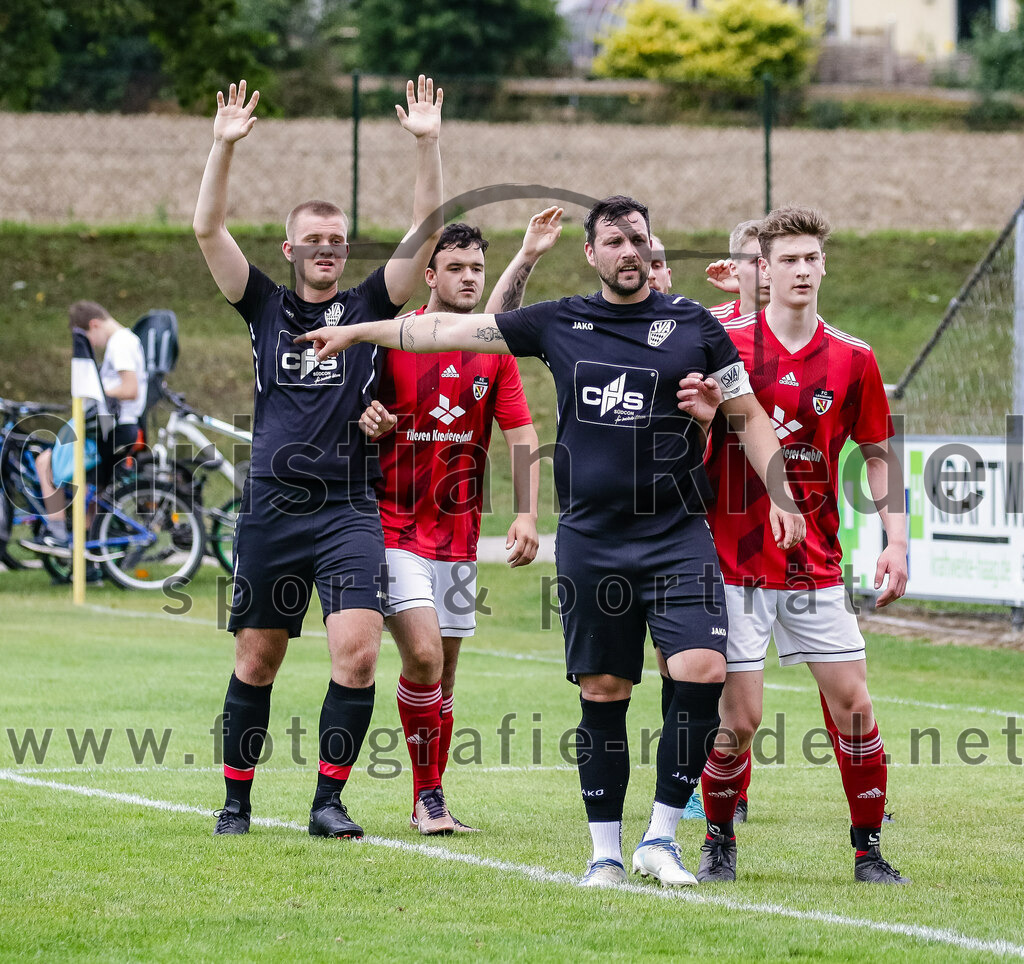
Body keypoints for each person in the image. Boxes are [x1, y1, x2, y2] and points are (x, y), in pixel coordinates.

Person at [296, 195, 805, 887]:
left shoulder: (692, 326)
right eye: (614, 242)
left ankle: (660, 837)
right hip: (593, 540)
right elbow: (446, 329)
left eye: (639, 240)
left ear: (652, 252)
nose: (629, 251)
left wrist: (781, 493)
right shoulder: (561, 321)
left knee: (702, 672)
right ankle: (605, 852)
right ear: (592, 255)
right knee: (604, 689)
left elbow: (748, 415)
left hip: (677, 532)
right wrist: (356, 334)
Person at [192, 76, 443, 838]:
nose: (328, 251)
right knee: (258, 660)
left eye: (338, 242)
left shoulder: (369, 306)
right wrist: (222, 146)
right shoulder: (263, 304)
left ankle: (327, 801)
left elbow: (425, 236)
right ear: (291, 248)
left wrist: (429, 144)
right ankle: (235, 800)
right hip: (274, 504)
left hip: (347, 507)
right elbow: (207, 230)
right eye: (315, 241)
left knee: (359, 656)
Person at [696, 206, 909, 885]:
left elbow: (879, 453)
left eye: (811, 258)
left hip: (814, 564)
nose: (802, 270)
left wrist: (895, 540)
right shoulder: (723, 344)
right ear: (761, 269)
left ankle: (867, 850)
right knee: (741, 722)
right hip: (733, 562)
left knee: (855, 708)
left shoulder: (853, 357)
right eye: (787, 259)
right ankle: (718, 838)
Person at [358, 215, 557, 834]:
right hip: (392, 526)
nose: (469, 278)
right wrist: (367, 419)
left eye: (477, 269)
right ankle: (427, 795)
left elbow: (521, 434)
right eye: (457, 268)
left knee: (443, 669)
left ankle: (429, 796)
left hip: (459, 536)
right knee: (420, 655)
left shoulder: (490, 356)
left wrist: (526, 512)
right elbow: (348, 404)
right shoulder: (393, 337)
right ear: (431, 274)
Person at [25, 300, 147, 558]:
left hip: (115, 430)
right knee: (92, 494)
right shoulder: (125, 341)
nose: (93, 345)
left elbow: (130, 389)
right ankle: (90, 555)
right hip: (114, 429)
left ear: (94, 325)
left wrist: (93, 393)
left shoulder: (120, 343)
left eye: (90, 338)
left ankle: (57, 536)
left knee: (45, 464)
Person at [704, 219, 772, 323]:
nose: (767, 272)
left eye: (773, 261)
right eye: (757, 262)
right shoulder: (712, 323)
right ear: (733, 268)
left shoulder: (803, 321)